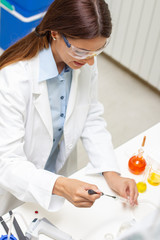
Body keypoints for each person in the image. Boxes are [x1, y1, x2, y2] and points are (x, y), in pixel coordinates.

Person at [0, 0, 138, 216]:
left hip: (59, 183)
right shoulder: (13, 78)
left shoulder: (83, 61)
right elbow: (7, 162)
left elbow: (90, 116)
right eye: (81, 51)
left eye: (97, 51)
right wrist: (61, 186)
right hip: (16, 189)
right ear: (55, 32)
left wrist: (111, 173)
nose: (89, 60)